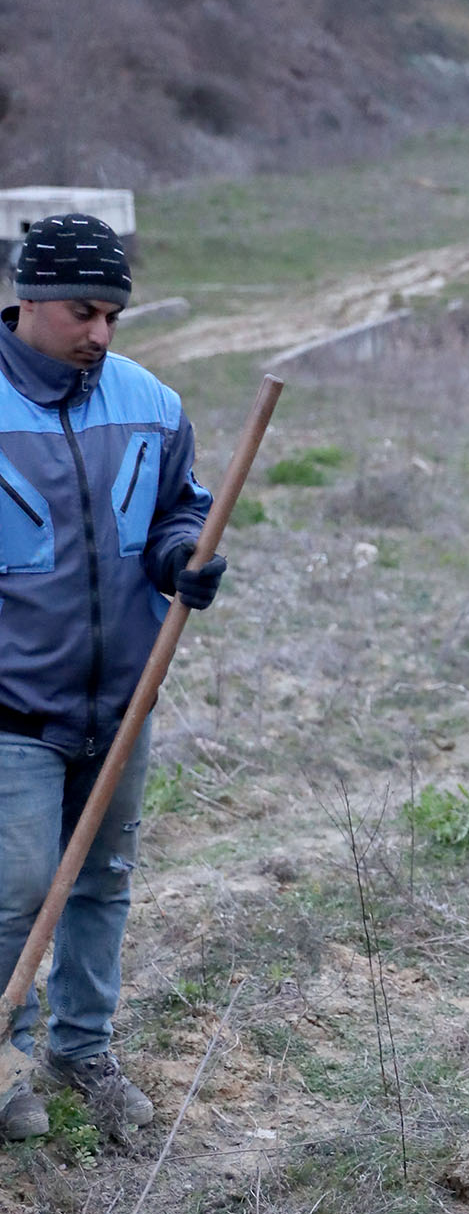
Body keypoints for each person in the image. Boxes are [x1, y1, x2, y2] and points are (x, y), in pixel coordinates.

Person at [0, 213, 224, 1142]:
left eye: (113, 318)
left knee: (104, 880)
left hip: (124, 697)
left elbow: (178, 512)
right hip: (13, 704)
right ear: (30, 300)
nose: (100, 334)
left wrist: (184, 558)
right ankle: (3, 1058)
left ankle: (80, 1050)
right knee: (16, 885)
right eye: (85, 313)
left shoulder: (151, 404)